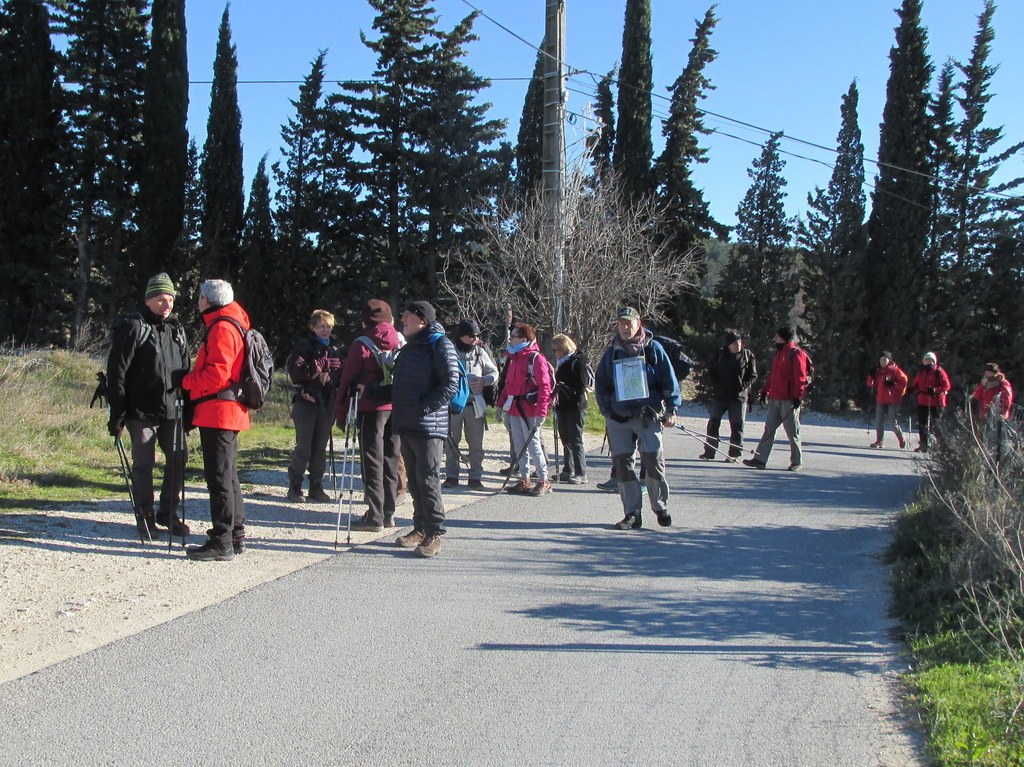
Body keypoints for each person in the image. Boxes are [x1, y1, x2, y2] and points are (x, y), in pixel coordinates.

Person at [359, 301, 459, 558]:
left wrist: (422, 409)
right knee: (415, 481)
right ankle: (419, 527)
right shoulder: (411, 347)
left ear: (422, 320)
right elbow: (401, 389)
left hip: (428, 427)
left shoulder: (439, 344)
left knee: (428, 480)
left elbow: (450, 384)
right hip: (409, 424)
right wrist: (371, 391)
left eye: (408, 316)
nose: (402, 319)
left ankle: (434, 534)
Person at [105, 272, 191, 537]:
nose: (167, 305)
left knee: (179, 457)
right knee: (144, 463)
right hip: (139, 410)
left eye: (170, 300)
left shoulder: (177, 329)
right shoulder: (134, 326)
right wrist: (117, 413)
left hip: (172, 408)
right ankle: (145, 516)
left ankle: (168, 512)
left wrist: (189, 409)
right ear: (148, 300)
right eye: (161, 300)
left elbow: (187, 371)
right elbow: (117, 371)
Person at [178, 279, 250, 562]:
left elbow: (217, 373)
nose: (197, 302)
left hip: (219, 410)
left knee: (219, 478)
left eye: (199, 298)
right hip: (228, 409)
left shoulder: (222, 327)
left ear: (206, 301)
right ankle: (234, 534)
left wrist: (185, 381)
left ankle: (222, 540)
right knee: (228, 476)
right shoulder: (233, 322)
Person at [594, 307, 680, 529]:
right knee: (623, 466)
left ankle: (660, 506)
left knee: (653, 463)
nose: (624, 328)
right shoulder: (611, 352)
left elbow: (669, 381)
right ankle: (632, 514)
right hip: (618, 418)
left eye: (628, 324)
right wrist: (607, 411)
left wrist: (671, 410)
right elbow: (601, 385)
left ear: (638, 324)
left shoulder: (653, 349)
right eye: (621, 324)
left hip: (647, 416)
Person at [336, 299, 402, 532]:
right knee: (391, 459)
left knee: (372, 461)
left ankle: (374, 515)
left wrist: (341, 413)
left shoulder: (361, 343)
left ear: (365, 319)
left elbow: (347, 381)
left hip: (370, 408)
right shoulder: (400, 340)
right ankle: (389, 513)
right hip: (396, 406)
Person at [285, 309, 343, 503]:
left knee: (320, 447)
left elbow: (338, 377)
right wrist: (320, 363)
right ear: (312, 327)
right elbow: (296, 373)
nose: (326, 329)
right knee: (304, 447)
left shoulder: (335, 348)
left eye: (328, 326)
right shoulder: (303, 347)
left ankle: (316, 487)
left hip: (327, 402)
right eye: (321, 326)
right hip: (306, 401)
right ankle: (295, 487)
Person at [497, 323, 554, 496]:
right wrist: (500, 405)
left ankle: (544, 480)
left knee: (534, 446)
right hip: (514, 407)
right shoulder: (514, 357)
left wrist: (541, 412)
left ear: (524, 338)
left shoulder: (536, 359)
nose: (511, 339)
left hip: (530, 409)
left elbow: (545, 387)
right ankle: (525, 478)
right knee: (519, 444)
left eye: (514, 336)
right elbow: (508, 386)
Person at [743, 325, 810, 472]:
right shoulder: (778, 354)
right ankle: (760, 459)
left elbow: (800, 378)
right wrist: (765, 391)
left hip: (789, 400)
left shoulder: (796, 354)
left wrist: (798, 396)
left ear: (785, 338)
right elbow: (772, 376)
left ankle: (796, 461)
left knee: (792, 432)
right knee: (769, 430)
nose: (775, 339)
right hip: (775, 398)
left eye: (778, 336)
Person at [444, 318, 498, 491]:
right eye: (471, 335)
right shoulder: (448, 351)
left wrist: (484, 381)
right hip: (453, 406)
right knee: (451, 443)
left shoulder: (480, 353)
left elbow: (494, 372)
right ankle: (451, 476)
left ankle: (475, 477)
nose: (475, 338)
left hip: (475, 405)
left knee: (476, 444)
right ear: (460, 335)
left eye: (477, 335)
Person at [699, 329, 757, 462]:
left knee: (737, 426)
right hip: (720, 397)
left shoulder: (747, 355)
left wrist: (743, 385)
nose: (738, 345)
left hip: (738, 398)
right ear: (728, 345)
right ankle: (709, 451)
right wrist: (716, 384)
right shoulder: (720, 354)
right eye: (734, 343)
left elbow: (753, 375)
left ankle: (734, 453)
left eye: (739, 342)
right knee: (713, 423)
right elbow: (711, 371)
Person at [552, 333, 591, 484]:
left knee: (575, 439)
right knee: (565, 438)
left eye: (556, 350)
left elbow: (582, 386)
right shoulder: (562, 362)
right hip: (562, 405)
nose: (555, 353)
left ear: (563, 348)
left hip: (575, 406)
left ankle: (581, 473)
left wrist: (565, 388)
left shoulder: (578, 361)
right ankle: (568, 469)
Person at [908, 352, 951, 452]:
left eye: (930, 360)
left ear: (934, 361)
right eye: (926, 360)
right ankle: (923, 445)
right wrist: (911, 389)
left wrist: (935, 390)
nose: (928, 362)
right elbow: (916, 383)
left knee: (936, 425)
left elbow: (947, 386)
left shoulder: (939, 371)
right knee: (922, 424)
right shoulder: (922, 372)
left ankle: (943, 446)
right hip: (923, 401)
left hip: (936, 402)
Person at [865, 351, 909, 449]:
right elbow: (871, 384)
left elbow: (904, 382)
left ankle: (901, 438)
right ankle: (879, 440)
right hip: (881, 399)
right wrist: (870, 375)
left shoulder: (895, 370)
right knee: (878, 421)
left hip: (893, 400)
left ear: (889, 360)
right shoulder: (878, 371)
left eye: (885, 359)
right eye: (881, 359)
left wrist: (893, 384)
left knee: (892, 422)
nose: (883, 361)